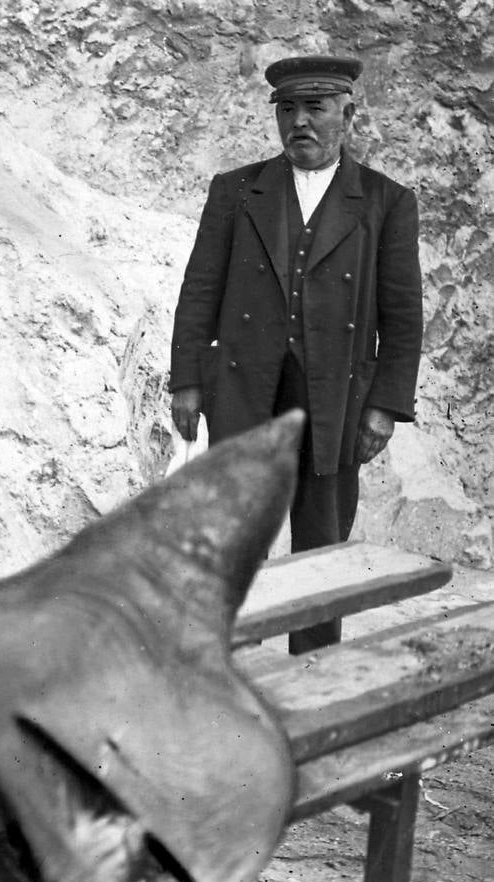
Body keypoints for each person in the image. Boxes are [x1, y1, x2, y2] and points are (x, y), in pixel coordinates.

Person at [168, 55, 424, 654]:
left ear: (348, 115)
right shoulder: (235, 190)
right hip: (243, 388)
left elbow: (403, 317)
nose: (300, 122)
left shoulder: (386, 202)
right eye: (288, 109)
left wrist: (385, 405)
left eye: (317, 108)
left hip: (336, 396)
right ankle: (228, 667)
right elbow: (199, 288)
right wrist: (187, 380)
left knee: (322, 541)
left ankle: (314, 672)